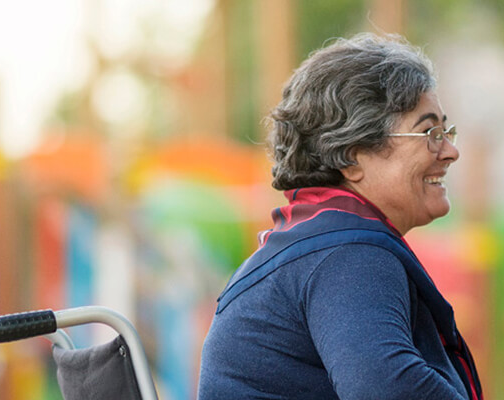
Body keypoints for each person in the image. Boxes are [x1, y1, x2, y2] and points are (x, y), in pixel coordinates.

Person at [197, 33, 482, 400]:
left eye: (447, 131)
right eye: (429, 132)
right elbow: (387, 389)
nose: (450, 151)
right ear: (352, 155)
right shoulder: (346, 253)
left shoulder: (312, 244)